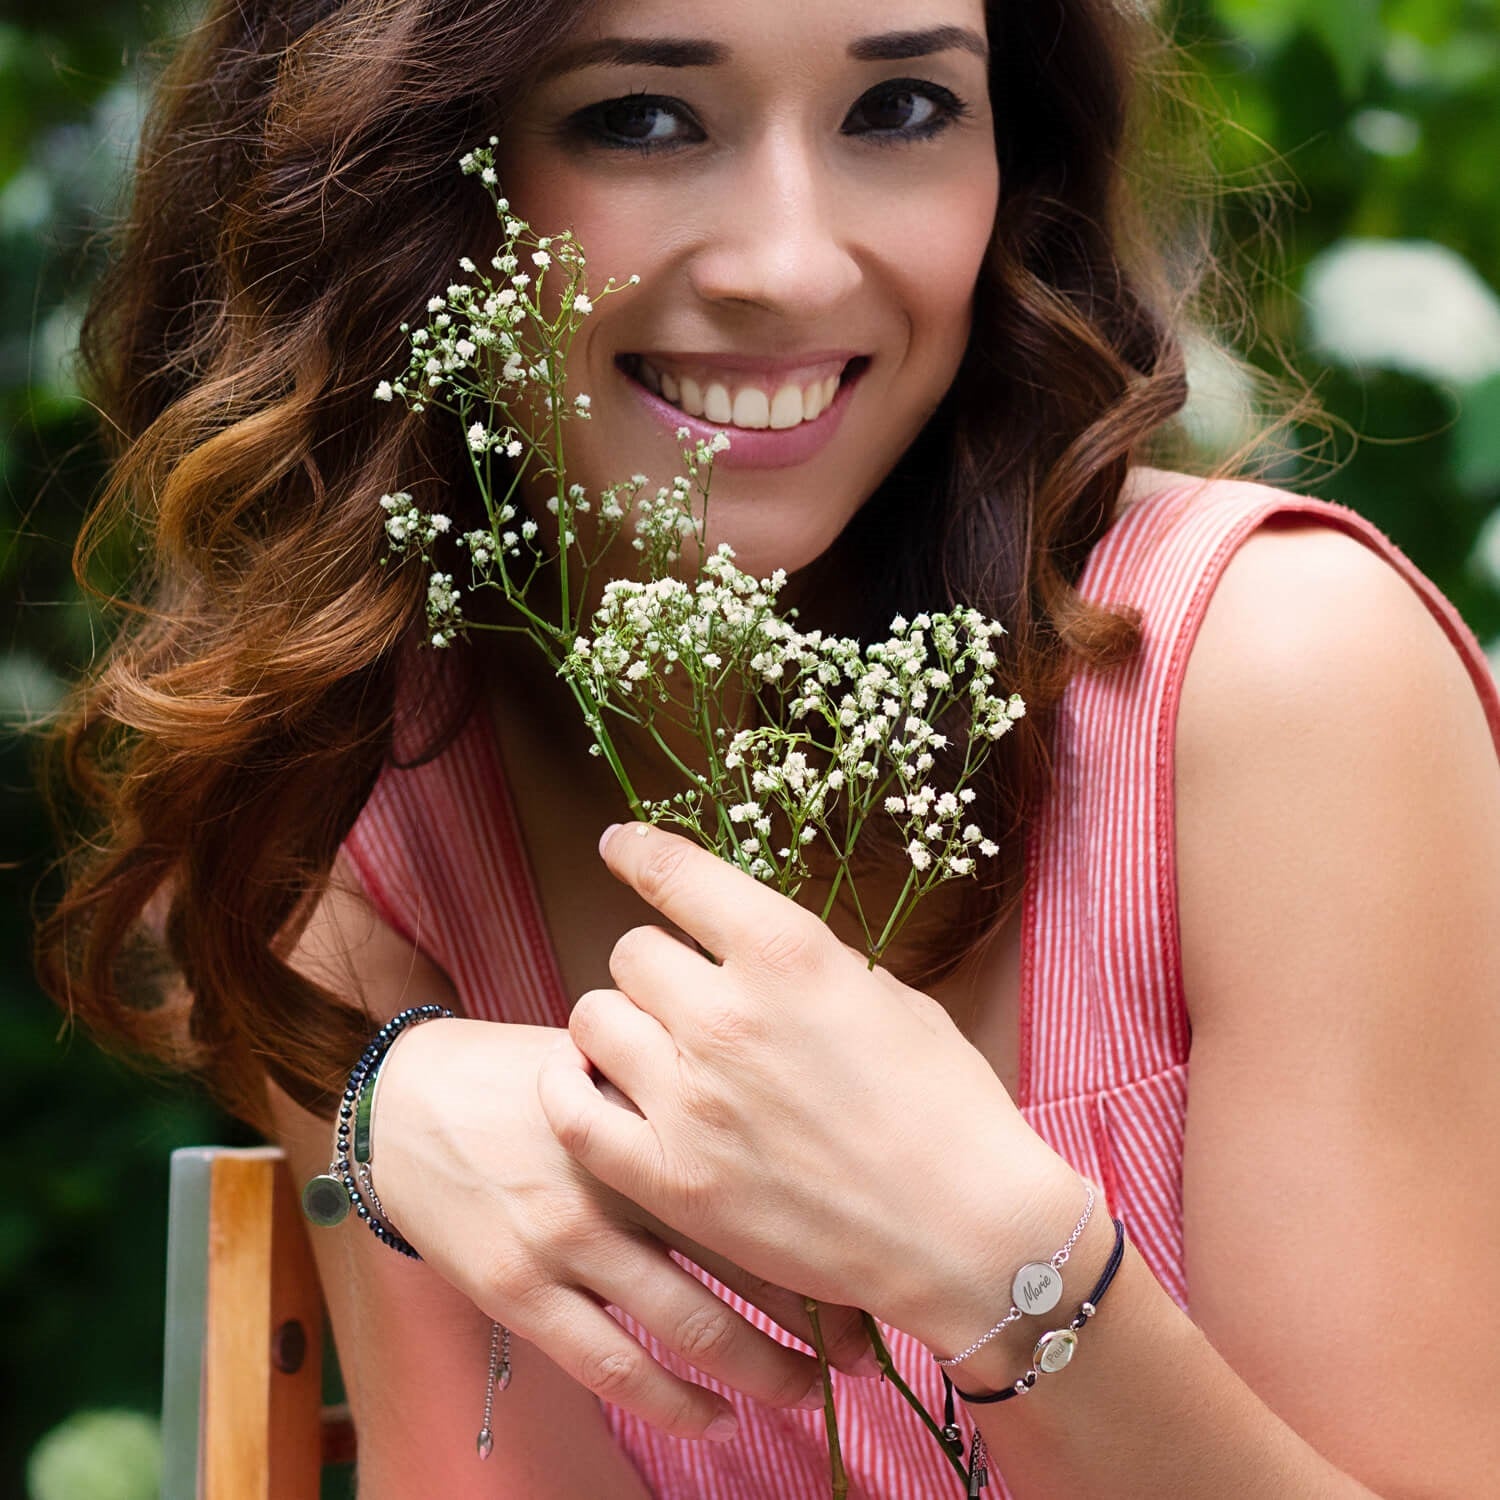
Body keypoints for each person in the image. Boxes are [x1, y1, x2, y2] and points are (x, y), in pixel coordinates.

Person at [37, 0, 1500, 1495]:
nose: (794, 263)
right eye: (643, 119)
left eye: (902, 109)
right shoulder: (357, 802)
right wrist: (386, 1112)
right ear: (407, 180)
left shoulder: (1280, 684)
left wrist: (1003, 1269)